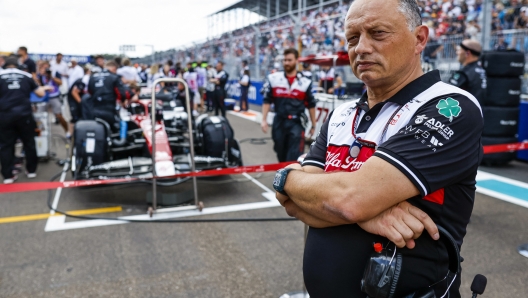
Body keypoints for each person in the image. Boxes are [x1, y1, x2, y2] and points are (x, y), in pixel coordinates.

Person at [272, 0, 483, 296]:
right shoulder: (340, 116)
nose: (361, 48)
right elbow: (295, 203)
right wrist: (367, 213)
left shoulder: (451, 107)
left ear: (419, 39)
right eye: (353, 38)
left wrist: (288, 180)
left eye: (378, 33)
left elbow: (348, 200)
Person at [0, 57, 51, 183]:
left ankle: (8, 175)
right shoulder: (26, 76)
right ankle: (31, 170)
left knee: (6, 145)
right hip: (24, 114)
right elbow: (40, 94)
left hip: (5, 115)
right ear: (18, 65)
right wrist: (42, 88)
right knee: (29, 142)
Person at [261, 48, 317, 162]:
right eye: (284, 60)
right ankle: (284, 176)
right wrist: (264, 120)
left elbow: (311, 105)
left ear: (297, 61)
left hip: (296, 123)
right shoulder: (274, 79)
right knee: (280, 152)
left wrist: (313, 125)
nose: (286, 63)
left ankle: (290, 178)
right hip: (279, 122)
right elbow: (267, 100)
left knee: (293, 157)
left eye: (289, 60)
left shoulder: (305, 82)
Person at [86, 61, 131, 127]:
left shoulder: (92, 77)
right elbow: (122, 93)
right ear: (114, 68)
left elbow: (89, 92)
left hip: (94, 108)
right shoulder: (114, 77)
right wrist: (124, 101)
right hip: (109, 108)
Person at [449, 39, 487, 104]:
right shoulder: (485, 70)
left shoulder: (464, 73)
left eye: (459, 50)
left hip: (468, 112)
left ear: (467, 53)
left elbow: (446, 94)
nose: (457, 52)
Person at [38, 61, 69, 135]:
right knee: (39, 115)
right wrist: (41, 75)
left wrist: (51, 76)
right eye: (44, 67)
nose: (45, 69)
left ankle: (67, 131)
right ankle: (40, 133)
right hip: (44, 97)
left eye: (46, 67)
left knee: (58, 115)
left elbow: (60, 83)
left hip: (54, 96)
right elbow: (37, 85)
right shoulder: (41, 75)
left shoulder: (55, 73)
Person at [67, 67, 90, 136]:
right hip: (73, 100)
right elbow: (74, 92)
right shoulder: (83, 80)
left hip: (79, 99)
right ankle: (71, 134)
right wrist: (82, 103)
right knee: (75, 116)